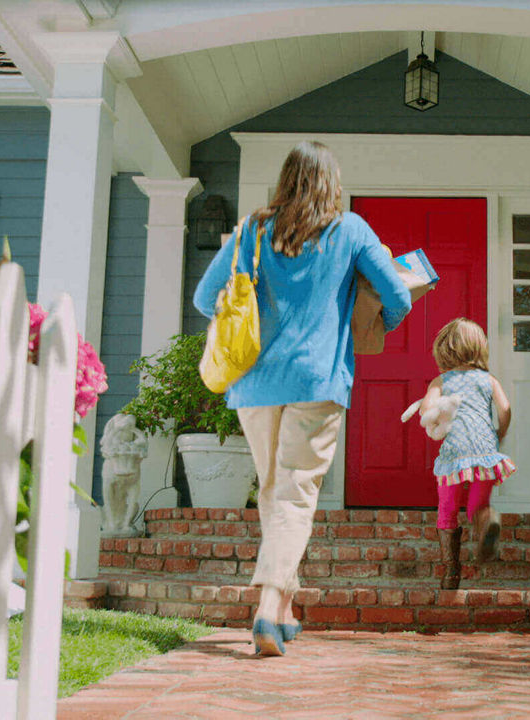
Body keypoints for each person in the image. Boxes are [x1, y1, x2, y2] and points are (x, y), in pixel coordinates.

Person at [193, 141, 411, 657]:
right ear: (332, 184)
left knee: (273, 490)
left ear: (285, 180)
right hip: (318, 380)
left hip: (255, 383)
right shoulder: (351, 230)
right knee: (294, 493)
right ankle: (269, 606)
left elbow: (206, 298)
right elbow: (398, 296)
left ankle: (285, 606)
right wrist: (369, 327)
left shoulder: (251, 230)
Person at [418, 318, 516, 590]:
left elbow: (426, 410)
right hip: (485, 449)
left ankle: (450, 572)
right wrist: (500, 433)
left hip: (454, 453)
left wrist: (434, 413)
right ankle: (487, 522)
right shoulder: (488, 379)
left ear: (444, 349)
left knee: (448, 509)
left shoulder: (441, 380)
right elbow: (505, 409)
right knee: (477, 506)